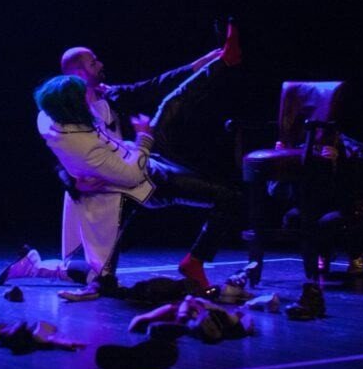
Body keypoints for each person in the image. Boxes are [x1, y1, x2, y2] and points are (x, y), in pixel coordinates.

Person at [34, 26, 244, 298]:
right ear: (77, 74)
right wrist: (75, 183)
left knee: (171, 105)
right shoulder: (64, 119)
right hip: (117, 185)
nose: (101, 64)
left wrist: (206, 61)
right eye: (93, 63)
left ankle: (222, 62)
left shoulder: (110, 96)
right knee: (102, 278)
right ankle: (38, 267)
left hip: (139, 168)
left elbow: (156, 84)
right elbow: (60, 159)